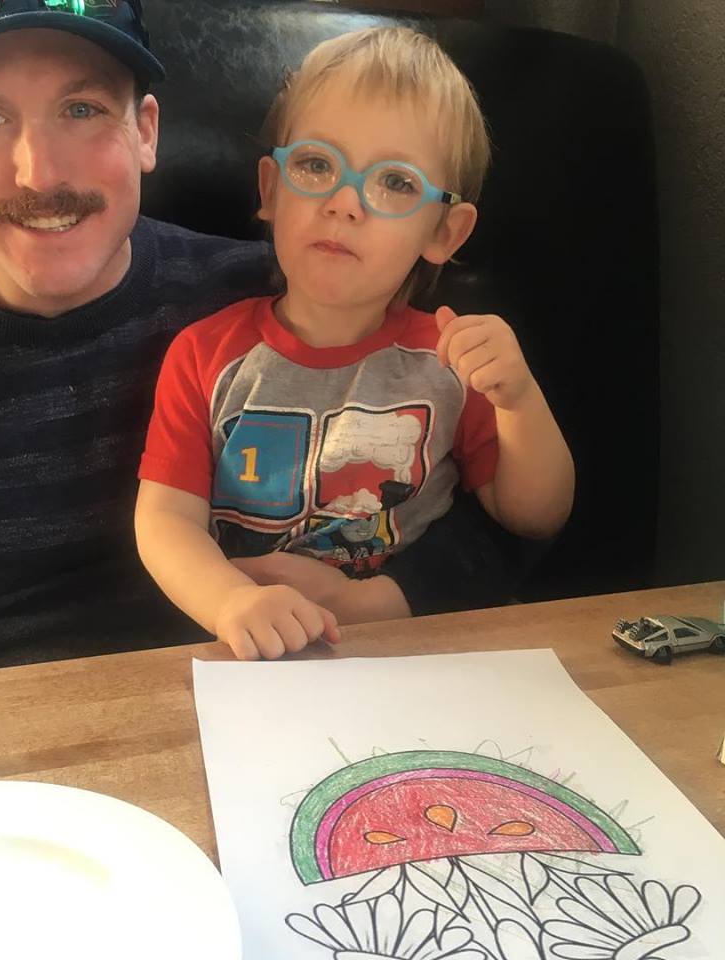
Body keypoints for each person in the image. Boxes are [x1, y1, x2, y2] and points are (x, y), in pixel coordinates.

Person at [0, 6, 525, 698]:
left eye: (82, 108)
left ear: (147, 131)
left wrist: (386, 597)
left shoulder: (275, 295)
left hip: (264, 714)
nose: (41, 173)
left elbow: (481, 499)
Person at [135, 26, 575, 661]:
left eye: (395, 182)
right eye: (316, 164)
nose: (344, 202)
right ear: (271, 190)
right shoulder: (205, 354)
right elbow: (165, 522)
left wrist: (520, 400)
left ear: (445, 234)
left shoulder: (451, 363)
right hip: (253, 661)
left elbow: (533, 516)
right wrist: (229, 600)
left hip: (409, 654)